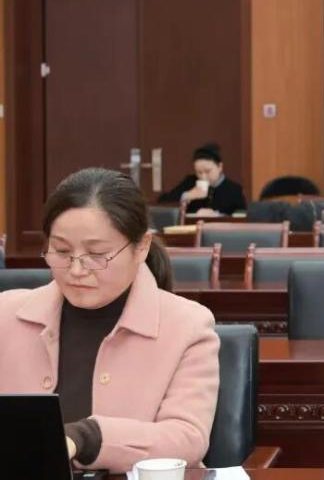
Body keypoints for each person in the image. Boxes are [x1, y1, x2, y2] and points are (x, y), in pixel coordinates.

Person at [0, 168, 220, 473]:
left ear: (141, 247)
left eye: (97, 254)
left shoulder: (188, 325)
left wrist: (87, 438)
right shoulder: (6, 315)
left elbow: (187, 438)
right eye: (61, 251)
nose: (76, 270)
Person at [158, 143, 247, 215]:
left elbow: (241, 215)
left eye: (208, 171)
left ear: (220, 167)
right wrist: (187, 195)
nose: (203, 177)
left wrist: (217, 214)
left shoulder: (234, 189)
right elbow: (162, 202)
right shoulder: (190, 182)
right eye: (199, 172)